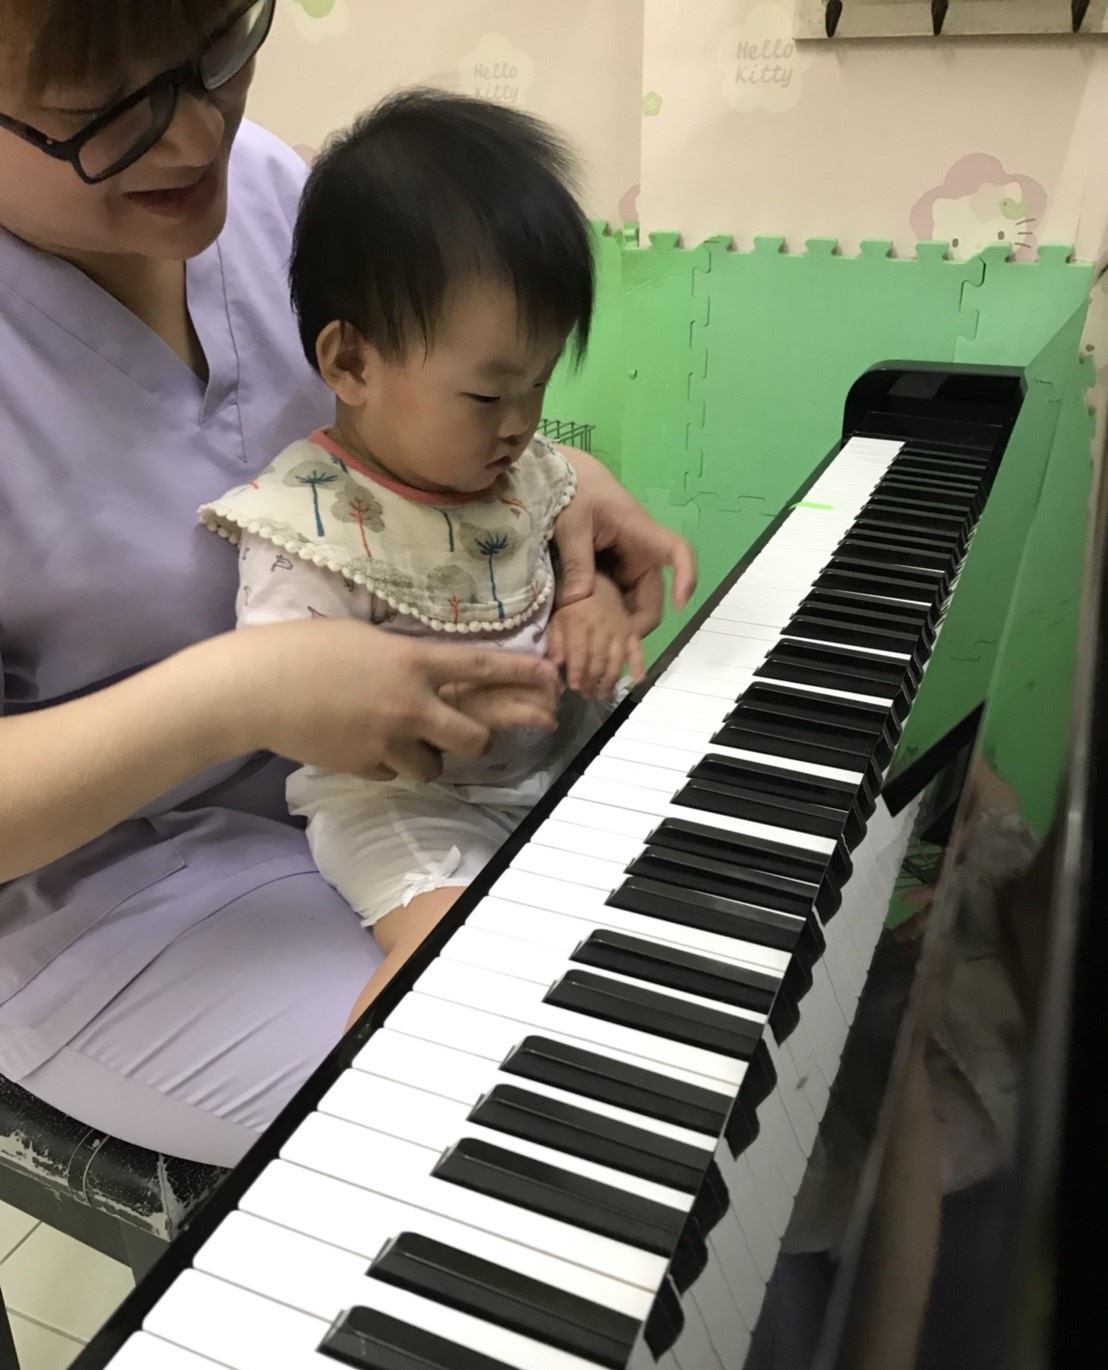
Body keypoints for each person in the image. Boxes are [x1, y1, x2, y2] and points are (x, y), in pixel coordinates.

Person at [0, 0, 696, 1169]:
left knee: (709, 995)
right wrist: (241, 694)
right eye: (98, 111)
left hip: (411, 782)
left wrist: (555, 491)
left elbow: (404, 440)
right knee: (553, 1111)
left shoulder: (274, 193)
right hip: (107, 891)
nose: (195, 138)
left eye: (217, 47)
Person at [201, 90, 646, 1030]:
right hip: (406, 807)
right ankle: (357, 1097)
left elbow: (567, 566)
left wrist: (591, 606)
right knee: (449, 962)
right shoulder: (310, 518)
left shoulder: (518, 471)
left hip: (551, 762)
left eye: (539, 385)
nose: (519, 425)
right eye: (487, 396)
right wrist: (431, 706)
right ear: (351, 364)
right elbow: (292, 705)